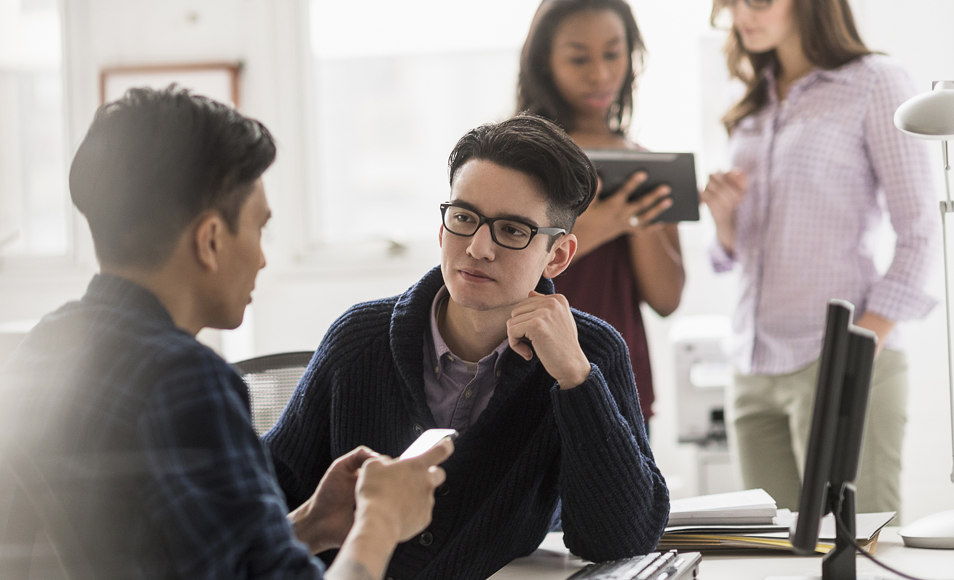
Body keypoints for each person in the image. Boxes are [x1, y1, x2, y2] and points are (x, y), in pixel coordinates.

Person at [0, 85, 453, 580]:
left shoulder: (45, 346)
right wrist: (381, 519)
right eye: (260, 229)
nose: (262, 257)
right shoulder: (184, 382)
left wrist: (311, 524)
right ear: (211, 240)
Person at [263, 115, 669, 580]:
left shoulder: (589, 352)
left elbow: (622, 540)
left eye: (513, 231)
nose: (477, 248)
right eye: (463, 218)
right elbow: (262, 499)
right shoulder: (358, 340)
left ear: (556, 255)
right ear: (442, 229)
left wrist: (576, 380)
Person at [699, 0, 939, 514]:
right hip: (753, 365)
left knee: (863, 549)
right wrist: (723, 221)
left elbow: (920, 232)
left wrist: (854, 352)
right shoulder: (750, 101)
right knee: (775, 556)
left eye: (759, 1)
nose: (743, 15)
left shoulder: (876, 82)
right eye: (732, 2)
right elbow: (744, 253)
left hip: (837, 359)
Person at [516, 0, 685, 430]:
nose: (600, 74)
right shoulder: (516, 158)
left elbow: (666, 300)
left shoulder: (648, 166)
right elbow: (508, 262)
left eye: (613, 53)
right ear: (545, 62)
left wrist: (636, 220)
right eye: (578, 57)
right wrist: (609, 221)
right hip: (527, 386)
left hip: (619, 389)